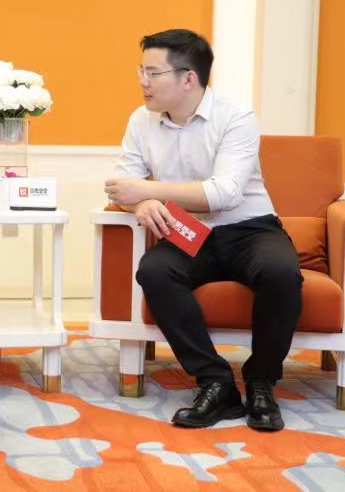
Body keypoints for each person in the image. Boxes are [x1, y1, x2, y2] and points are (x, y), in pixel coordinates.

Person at [104, 28, 302, 432]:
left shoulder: (236, 117)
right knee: (154, 271)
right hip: (187, 231)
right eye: (141, 71)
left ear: (188, 78)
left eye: (152, 72)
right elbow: (122, 185)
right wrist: (140, 203)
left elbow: (224, 194)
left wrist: (147, 190)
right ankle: (216, 383)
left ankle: (262, 382)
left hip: (250, 229)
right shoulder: (140, 120)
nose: (142, 81)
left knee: (281, 273)